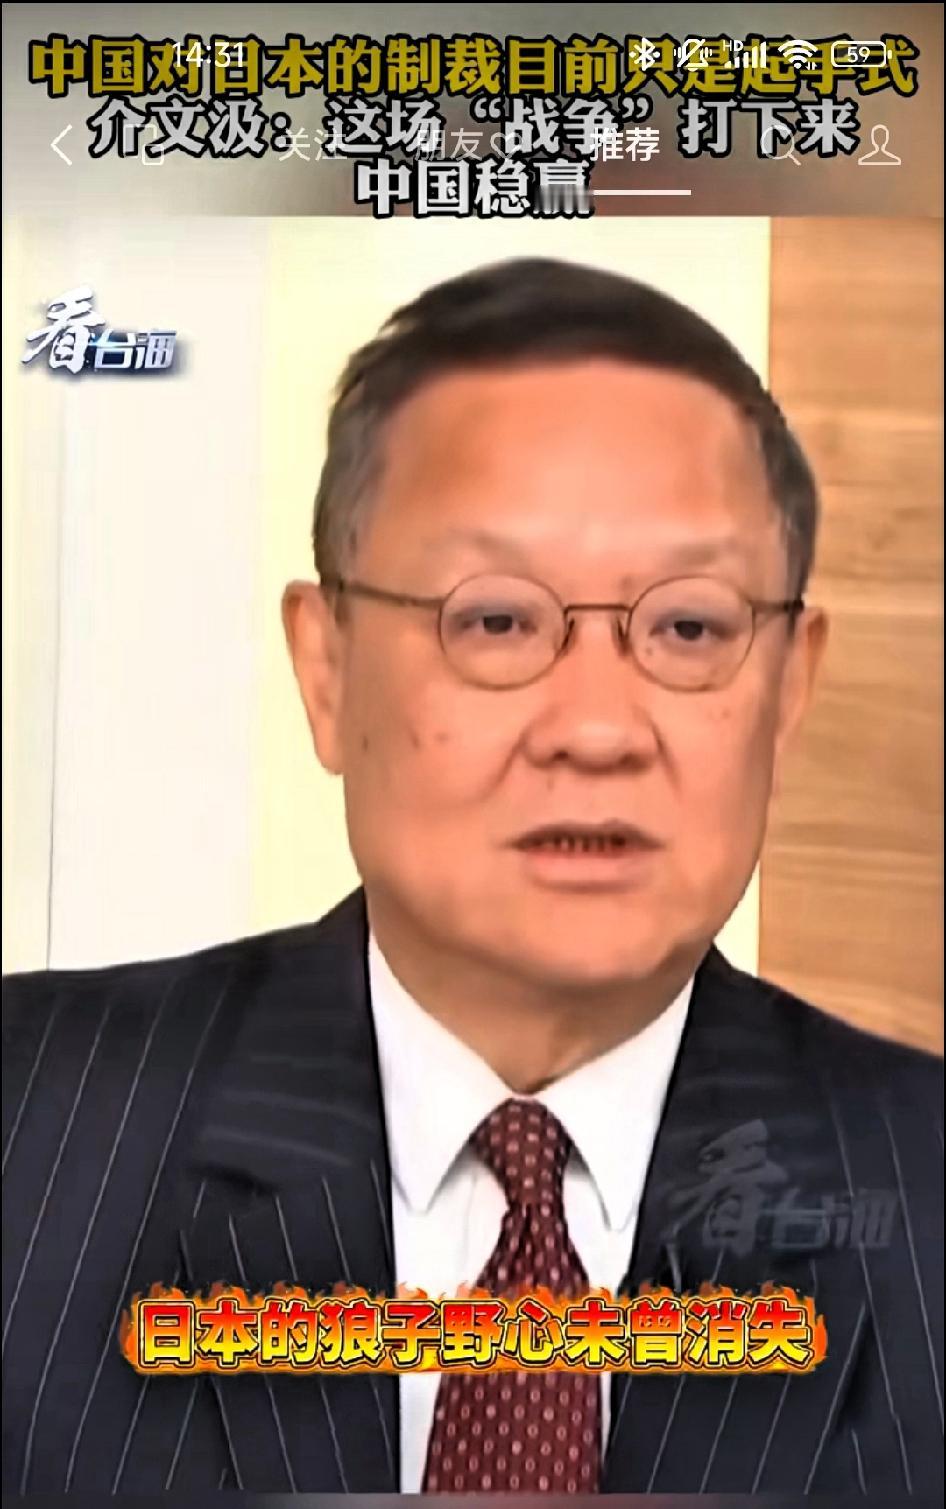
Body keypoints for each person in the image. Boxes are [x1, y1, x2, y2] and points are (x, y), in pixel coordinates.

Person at [2, 258, 941, 1498]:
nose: (597, 728)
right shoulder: (31, 1131)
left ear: (789, 688)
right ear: (326, 668)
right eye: (495, 620)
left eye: (689, 628)